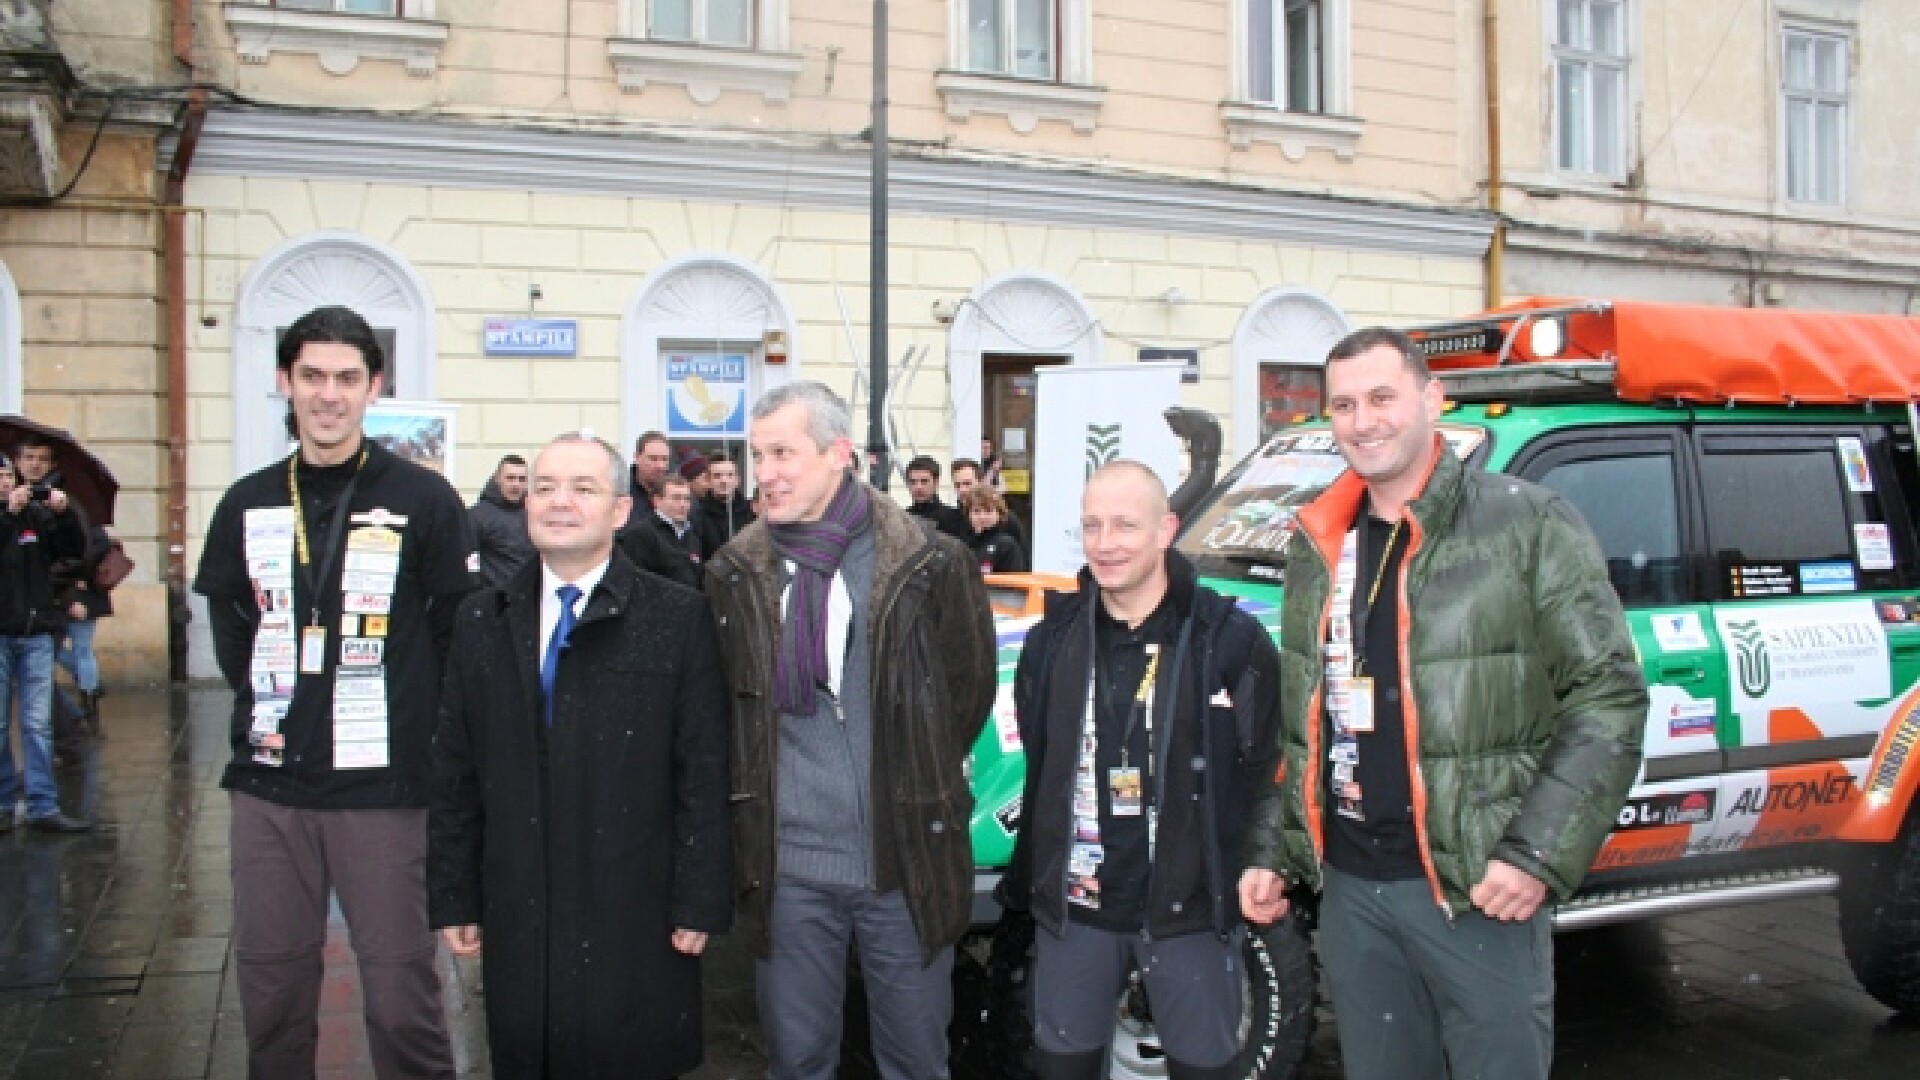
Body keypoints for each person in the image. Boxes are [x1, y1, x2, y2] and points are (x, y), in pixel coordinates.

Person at [1238, 327, 1647, 1080]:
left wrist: (1534, 856)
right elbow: (1302, 719)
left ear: (1432, 399)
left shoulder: (1527, 523)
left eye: (1383, 397)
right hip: (1354, 890)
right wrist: (1271, 847)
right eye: (1344, 404)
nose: (1364, 421)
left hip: (1476, 890)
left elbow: (1608, 698)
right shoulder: (1316, 543)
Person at [194, 304, 468, 1080]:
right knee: (271, 988)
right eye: (312, 375)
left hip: (385, 789)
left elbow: (455, 640)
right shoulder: (247, 501)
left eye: (347, 377)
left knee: (399, 995)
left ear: (374, 386)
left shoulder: (424, 498)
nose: (328, 394)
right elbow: (232, 629)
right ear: (286, 381)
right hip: (270, 787)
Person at [705, 382, 996, 1080]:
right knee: (798, 1060)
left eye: (783, 453)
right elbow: (733, 715)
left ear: (838, 454)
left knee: (916, 1061)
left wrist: (910, 781)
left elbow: (966, 692)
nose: (765, 472)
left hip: (906, 865)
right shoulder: (736, 574)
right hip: (790, 871)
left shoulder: (931, 563)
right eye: (757, 455)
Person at [430, 432, 732, 1080]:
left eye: (583, 488)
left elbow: (703, 769)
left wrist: (700, 899)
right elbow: (455, 770)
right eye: (545, 488)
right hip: (520, 904)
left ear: (621, 511)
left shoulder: (676, 618)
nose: (559, 502)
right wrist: (455, 893)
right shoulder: (483, 620)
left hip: (637, 910)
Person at [999, 461, 1278, 1080]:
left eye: (1125, 525)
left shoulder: (1228, 639)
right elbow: (1043, 761)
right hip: (1078, 915)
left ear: (1166, 529)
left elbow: (1269, 769)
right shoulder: (1051, 641)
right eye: (1092, 526)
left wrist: (1259, 862)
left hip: (1190, 916)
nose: (1106, 543)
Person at [0, 449, 89, 832]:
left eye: (7, 475)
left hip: (36, 632)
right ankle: (3, 804)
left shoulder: (35, 517)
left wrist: (64, 514)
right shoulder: (10, 518)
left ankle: (42, 806)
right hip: (1, 632)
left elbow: (73, 554)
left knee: (38, 723)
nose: (5, 482)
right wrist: (8, 517)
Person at [15, 434, 107, 754]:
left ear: (51, 464)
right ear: (17, 461)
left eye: (41, 458)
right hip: (14, 605)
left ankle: (68, 732)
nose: (35, 464)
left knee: (36, 676)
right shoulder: (12, 500)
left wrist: (63, 593)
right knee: (32, 678)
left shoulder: (62, 503)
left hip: (47, 604)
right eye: (29, 457)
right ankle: (68, 730)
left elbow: (77, 555)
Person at [469, 454, 532, 588]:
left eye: (522, 479)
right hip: (494, 600)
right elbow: (469, 563)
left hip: (529, 600)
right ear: (498, 479)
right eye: (510, 478)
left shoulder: (533, 514)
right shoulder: (477, 516)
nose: (516, 484)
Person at [953, 456, 1027, 551]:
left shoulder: (1005, 519)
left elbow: (1021, 557)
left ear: (980, 481)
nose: (962, 490)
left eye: (967, 483)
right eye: (957, 485)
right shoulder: (954, 518)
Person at [695, 451, 755, 554]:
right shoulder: (696, 516)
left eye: (729, 475)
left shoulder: (752, 512)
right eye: (717, 476)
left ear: (737, 480)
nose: (724, 480)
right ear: (708, 481)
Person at [903, 455, 971, 543]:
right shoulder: (904, 518)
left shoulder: (955, 518)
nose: (918, 487)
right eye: (913, 482)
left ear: (936, 482)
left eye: (924, 481)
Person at [961, 487, 1027, 573]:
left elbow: (1013, 582)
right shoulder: (964, 544)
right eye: (976, 511)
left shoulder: (1007, 546)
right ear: (968, 515)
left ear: (999, 514)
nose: (982, 517)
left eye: (988, 511)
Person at [651, 475, 708, 574]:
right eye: (676, 498)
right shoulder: (642, 535)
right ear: (657, 501)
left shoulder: (692, 536)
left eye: (686, 499)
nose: (683, 504)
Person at [620, 431, 671, 532]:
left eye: (664, 459)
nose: (660, 466)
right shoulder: (620, 490)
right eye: (653, 459)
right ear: (637, 458)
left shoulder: (674, 493)